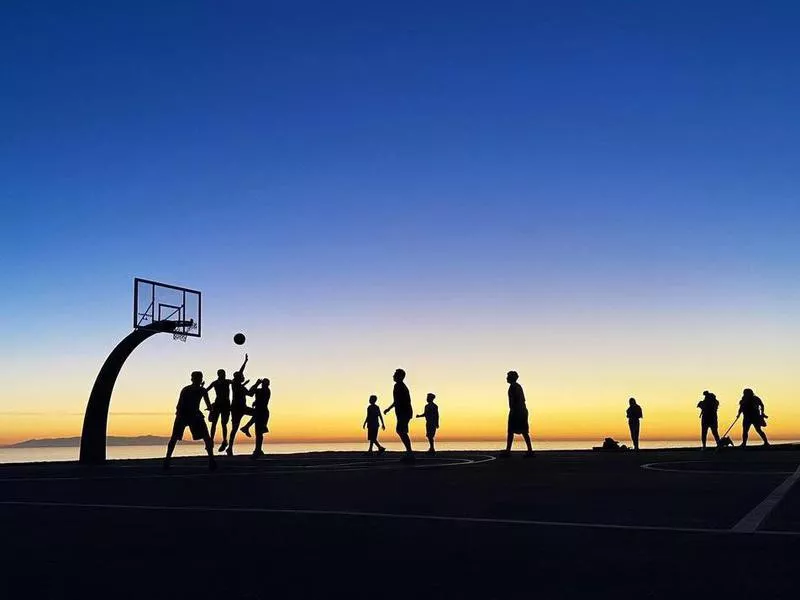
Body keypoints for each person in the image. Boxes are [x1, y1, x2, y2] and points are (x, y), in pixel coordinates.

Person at [164, 371, 217, 470]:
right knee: (206, 437)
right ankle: (211, 460)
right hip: (189, 415)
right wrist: (211, 410)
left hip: (187, 414)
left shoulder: (190, 389)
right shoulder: (198, 390)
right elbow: (208, 405)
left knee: (174, 438)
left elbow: (180, 404)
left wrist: (211, 410)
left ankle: (167, 460)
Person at [205, 355, 246, 453]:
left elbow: (238, 378)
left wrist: (244, 363)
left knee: (223, 424)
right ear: (219, 374)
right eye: (222, 374)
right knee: (215, 424)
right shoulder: (218, 382)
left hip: (225, 405)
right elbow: (205, 391)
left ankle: (224, 441)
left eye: (223, 374)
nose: (223, 375)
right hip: (219, 405)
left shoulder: (227, 382)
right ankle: (212, 440)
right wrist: (209, 406)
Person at [227, 356, 256, 456]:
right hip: (238, 409)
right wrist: (256, 384)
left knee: (234, 429)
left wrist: (245, 362)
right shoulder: (237, 385)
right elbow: (251, 394)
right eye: (242, 376)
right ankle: (230, 447)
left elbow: (240, 372)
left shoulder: (236, 384)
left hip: (239, 408)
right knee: (234, 428)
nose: (243, 376)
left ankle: (230, 447)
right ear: (239, 378)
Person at [384, 368, 414, 459]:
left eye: (395, 374)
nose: (393, 376)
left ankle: (409, 453)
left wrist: (389, 409)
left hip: (404, 412)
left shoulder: (399, 386)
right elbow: (396, 401)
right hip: (404, 412)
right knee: (402, 431)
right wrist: (389, 409)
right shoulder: (400, 386)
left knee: (401, 431)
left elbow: (398, 401)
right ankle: (409, 452)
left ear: (400, 376)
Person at [502, 371, 533, 456]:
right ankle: (529, 450)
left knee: (512, 431)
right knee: (523, 431)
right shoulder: (517, 386)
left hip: (517, 411)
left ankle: (508, 451)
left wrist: (514, 411)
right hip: (522, 410)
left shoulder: (513, 387)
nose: (506, 378)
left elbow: (516, 401)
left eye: (508, 376)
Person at [249, 378, 271, 459]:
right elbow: (251, 392)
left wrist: (256, 384)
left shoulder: (266, 391)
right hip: (260, 412)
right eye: (263, 383)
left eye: (265, 383)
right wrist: (256, 384)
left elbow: (253, 393)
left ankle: (257, 450)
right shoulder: (260, 390)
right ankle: (258, 450)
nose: (264, 385)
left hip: (262, 412)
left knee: (259, 432)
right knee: (258, 433)